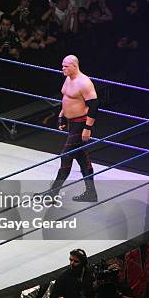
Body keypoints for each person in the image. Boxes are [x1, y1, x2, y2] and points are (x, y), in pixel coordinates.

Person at [49, 55, 99, 202]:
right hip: (72, 122)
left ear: (74, 66)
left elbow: (94, 105)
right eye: (62, 66)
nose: (62, 68)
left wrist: (88, 127)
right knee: (82, 158)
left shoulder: (84, 82)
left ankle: (53, 193)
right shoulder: (68, 78)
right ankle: (91, 193)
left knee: (66, 155)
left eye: (65, 66)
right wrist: (61, 116)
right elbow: (67, 99)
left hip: (81, 124)